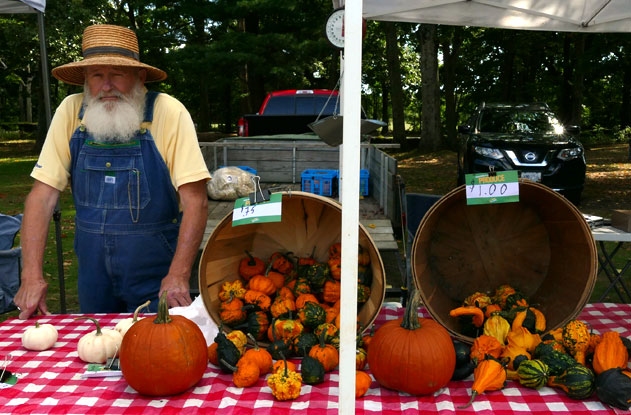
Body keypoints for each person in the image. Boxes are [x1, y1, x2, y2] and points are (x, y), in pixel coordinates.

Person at [14, 24, 211, 319]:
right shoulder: (71, 111)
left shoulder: (168, 112)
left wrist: (179, 274)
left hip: (156, 277)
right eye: (96, 75)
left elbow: (196, 200)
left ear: (140, 76)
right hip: (92, 277)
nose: (106, 86)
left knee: (156, 354)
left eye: (116, 74)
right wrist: (31, 276)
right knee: (97, 351)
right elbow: (41, 197)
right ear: (85, 79)